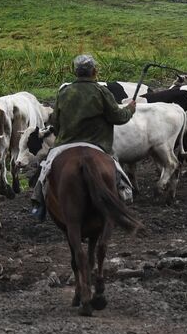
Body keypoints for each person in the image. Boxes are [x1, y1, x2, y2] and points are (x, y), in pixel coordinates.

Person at [29, 54, 137, 221]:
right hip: (98, 144)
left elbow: (55, 122)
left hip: (66, 144)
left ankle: (38, 203)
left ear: (76, 72)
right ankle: (125, 193)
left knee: (46, 169)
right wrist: (130, 109)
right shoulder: (101, 91)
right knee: (115, 166)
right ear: (94, 71)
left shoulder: (64, 92)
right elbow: (118, 117)